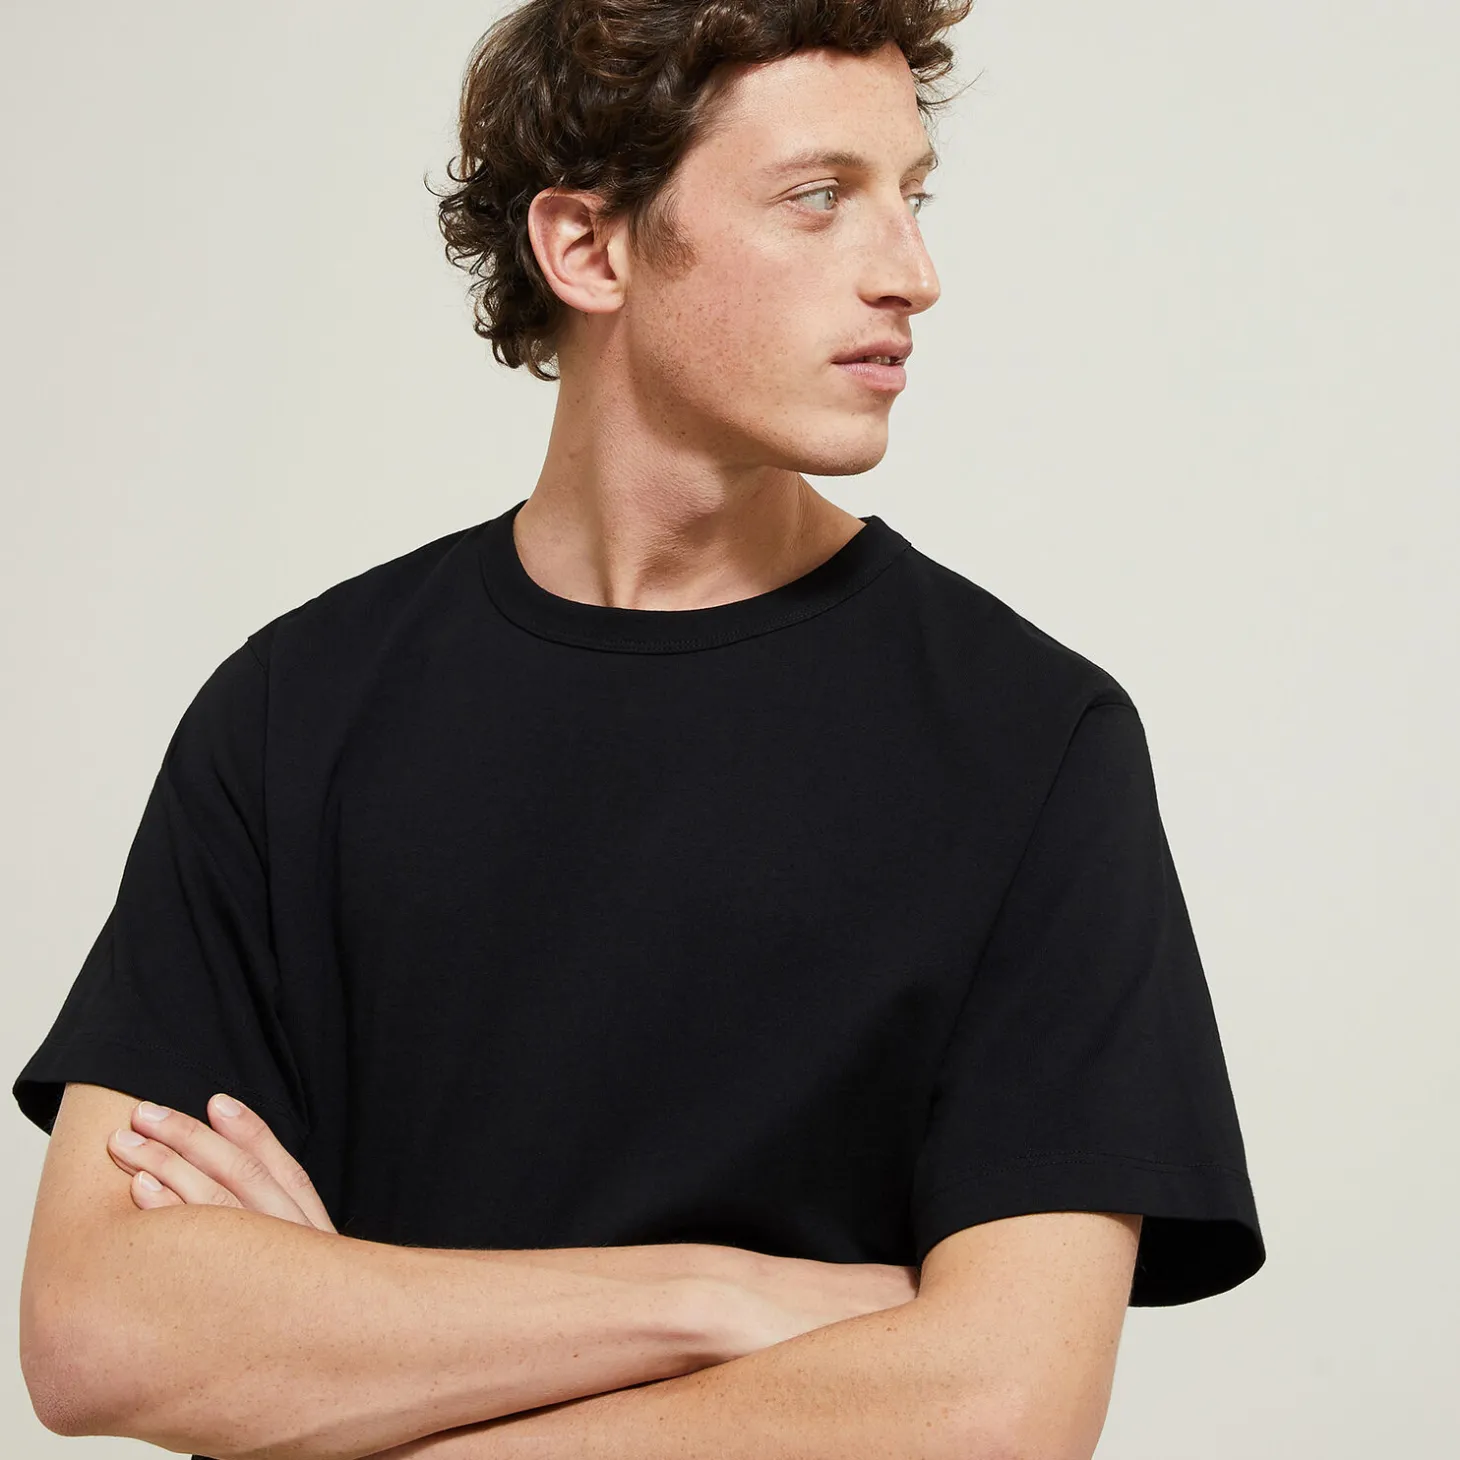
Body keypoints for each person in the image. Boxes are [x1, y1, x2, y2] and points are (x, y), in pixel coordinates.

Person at [14, 3, 1264, 1457]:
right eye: (820, 197)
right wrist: (709, 1298)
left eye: (911, 195)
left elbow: (1000, 1405)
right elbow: (96, 1327)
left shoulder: (1032, 740)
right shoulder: (295, 711)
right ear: (588, 247)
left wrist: (339, 1358)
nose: (912, 273)